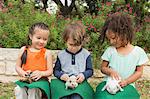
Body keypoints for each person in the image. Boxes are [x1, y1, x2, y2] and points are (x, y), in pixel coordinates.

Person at [94, 13, 149, 99]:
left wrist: (126, 81)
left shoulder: (138, 52)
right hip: (108, 84)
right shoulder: (110, 51)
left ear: (125, 34)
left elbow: (139, 72)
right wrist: (110, 72)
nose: (111, 42)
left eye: (114, 38)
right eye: (109, 39)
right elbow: (103, 68)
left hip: (127, 85)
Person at [51, 21, 94, 99]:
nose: (74, 48)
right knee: (63, 97)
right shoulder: (61, 55)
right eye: (71, 44)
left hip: (79, 82)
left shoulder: (86, 54)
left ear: (82, 42)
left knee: (77, 97)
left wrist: (84, 75)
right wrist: (61, 76)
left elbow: (90, 70)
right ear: (65, 40)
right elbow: (56, 71)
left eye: (77, 45)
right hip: (64, 82)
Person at [15, 22, 53, 99]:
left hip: (41, 82)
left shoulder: (47, 53)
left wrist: (41, 73)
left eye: (45, 39)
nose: (41, 41)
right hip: (26, 80)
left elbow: (50, 71)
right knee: (19, 89)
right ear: (31, 36)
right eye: (38, 38)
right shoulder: (24, 50)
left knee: (33, 90)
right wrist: (23, 73)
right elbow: (17, 66)